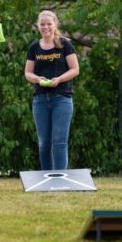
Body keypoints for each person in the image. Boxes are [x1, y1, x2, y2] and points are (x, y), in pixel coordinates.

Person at [25, 10, 79, 170]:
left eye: (49, 24)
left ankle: (60, 177)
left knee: (60, 142)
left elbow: (75, 69)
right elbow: (28, 73)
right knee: (44, 143)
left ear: (55, 25)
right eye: (43, 24)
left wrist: (59, 79)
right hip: (40, 100)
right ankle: (46, 177)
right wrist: (37, 79)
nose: (46, 27)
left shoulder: (64, 45)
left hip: (62, 98)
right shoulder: (34, 47)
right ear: (38, 26)